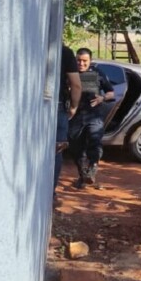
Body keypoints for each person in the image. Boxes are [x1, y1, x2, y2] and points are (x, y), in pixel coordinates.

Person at [68, 48, 115, 189]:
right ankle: (83, 176)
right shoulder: (69, 73)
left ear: (90, 61)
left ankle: (93, 167)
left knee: (95, 142)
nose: (81, 63)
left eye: (84, 61)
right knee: (76, 149)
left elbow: (111, 93)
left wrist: (102, 98)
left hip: (94, 115)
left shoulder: (97, 74)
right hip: (74, 117)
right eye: (78, 60)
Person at [54, 45, 81, 199]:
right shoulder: (64, 51)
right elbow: (76, 85)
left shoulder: (31, 43)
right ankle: (50, 194)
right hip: (58, 105)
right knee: (56, 149)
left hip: (31, 103)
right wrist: (73, 107)